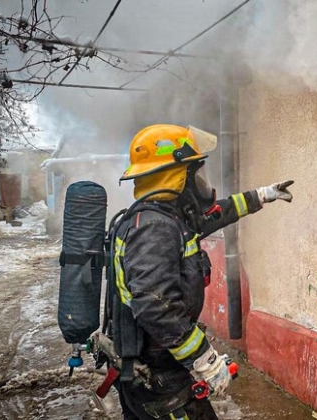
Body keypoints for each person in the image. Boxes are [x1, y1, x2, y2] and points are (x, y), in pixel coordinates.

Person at [110, 124, 294, 420]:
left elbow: (215, 215)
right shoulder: (155, 228)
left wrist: (261, 196)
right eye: (193, 172)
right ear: (175, 176)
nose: (200, 182)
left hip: (154, 367)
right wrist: (204, 360)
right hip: (158, 376)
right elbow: (156, 307)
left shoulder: (165, 218)